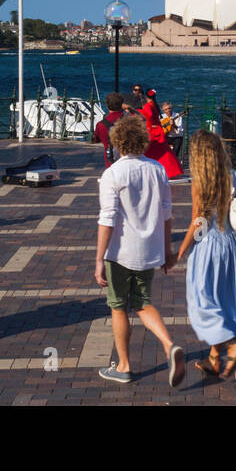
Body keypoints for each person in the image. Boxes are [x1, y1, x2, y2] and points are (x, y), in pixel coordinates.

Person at [94, 112, 185, 386]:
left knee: (119, 306)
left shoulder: (113, 174)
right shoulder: (157, 170)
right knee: (143, 302)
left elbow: (107, 220)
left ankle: (123, 366)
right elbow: (167, 213)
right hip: (149, 249)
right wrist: (168, 250)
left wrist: (99, 259)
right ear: (143, 141)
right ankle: (169, 346)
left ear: (118, 142)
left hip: (120, 251)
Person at [174, 131, 236, 379]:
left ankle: (232, 342)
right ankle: (214, 359)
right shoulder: (232, 176)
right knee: (223, 300)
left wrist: (181, 250)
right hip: (231, 246)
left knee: (201, 301)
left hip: (208, 246)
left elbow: (199, 221)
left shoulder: (200, 182)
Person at [94, 92, 128, 166]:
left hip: (111, 160)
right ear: (121, 105)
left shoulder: (100, 125)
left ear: (107, 106)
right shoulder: (129, 120)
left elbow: (96, 139)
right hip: (128, 158)